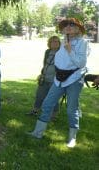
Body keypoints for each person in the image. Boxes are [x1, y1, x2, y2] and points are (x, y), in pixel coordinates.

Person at [28, 18, 89, 148]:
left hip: (74, 79)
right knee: (47, 103)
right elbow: (59, 60)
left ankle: (72, 138)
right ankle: (37, 132)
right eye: (66, 25)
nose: (68, 27)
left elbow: (81, 63)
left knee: (72, 109)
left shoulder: (82, 43)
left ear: (78, 29)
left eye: (72, 25)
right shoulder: (63, 41)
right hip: (59, 78)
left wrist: (69, 50)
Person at [26, 36, 61, 119]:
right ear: (49, 43)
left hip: (55, 79)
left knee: (54, 97)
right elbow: (45, 64)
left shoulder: (61, 52)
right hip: (45, 78)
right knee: (39, 95)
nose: (55, 43)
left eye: (56, 41)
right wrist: (42, 74)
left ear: (59, 43)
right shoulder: (47, 52)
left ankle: (54, 115)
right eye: (52, 41)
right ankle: (35, 111)